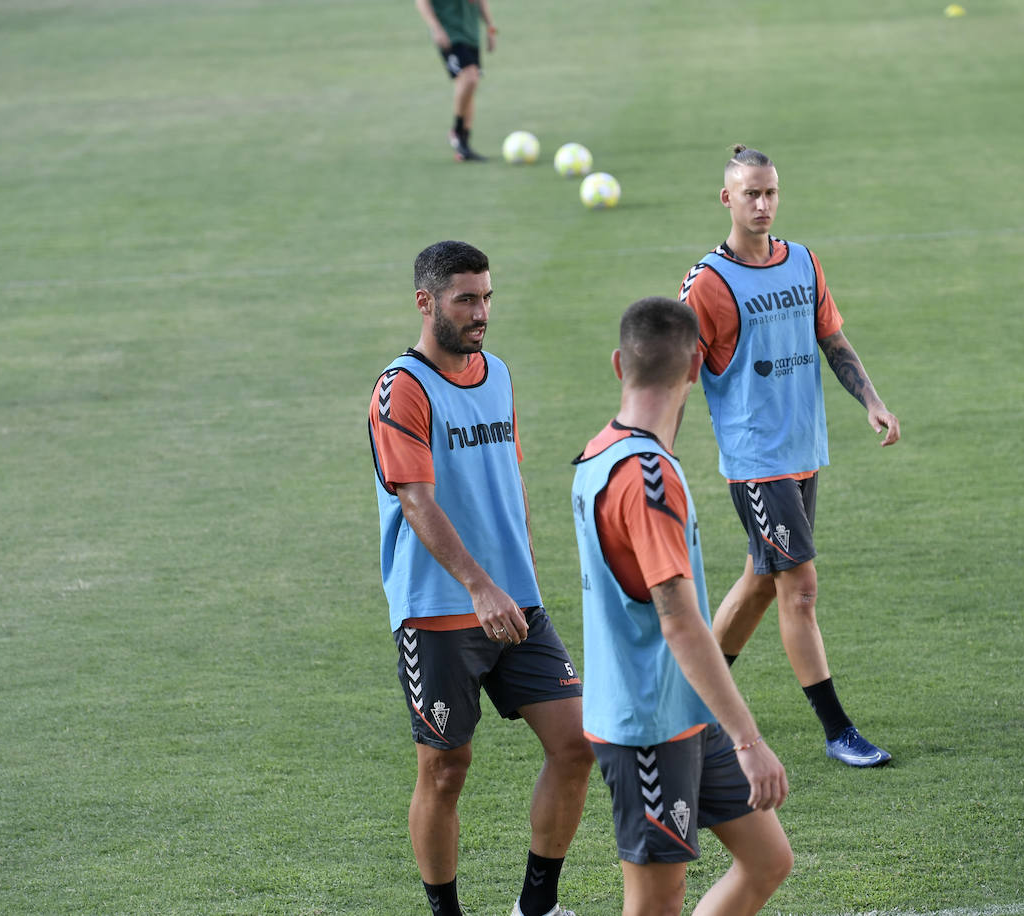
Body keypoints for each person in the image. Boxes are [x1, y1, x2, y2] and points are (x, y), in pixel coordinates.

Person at [369, 240, 592, 916]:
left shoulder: (496, 373)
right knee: (445, 770)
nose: (481, 312)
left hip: (514, 600)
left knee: (577, 745)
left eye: (487, 297)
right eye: (466, 299)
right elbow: (417, 501)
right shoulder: (400, 388)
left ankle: (537, 906)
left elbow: (508, 474)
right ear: (425, 302)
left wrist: (516, 569)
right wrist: (478, 584)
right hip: (441, 610)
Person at [678, 145, 901, 768]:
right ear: (727, 198)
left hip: (804, 451)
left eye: (770, 192)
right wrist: (653, 458)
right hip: (756, 461)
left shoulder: (802, 262)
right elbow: (677, 375)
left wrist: (872, 400)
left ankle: (691, 699)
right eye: (750, 193)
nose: (762, 204)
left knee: (759, 580)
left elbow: (829, 335)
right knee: (798, 589)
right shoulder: (708, 285)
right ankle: (838, 732)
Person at [571, 296, 793, 915]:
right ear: (696, 368)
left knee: (768, 859)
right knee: (655, 904)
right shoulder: (646, 479)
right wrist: (750, 741)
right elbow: (680, 621)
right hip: (647, 726)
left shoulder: (598, 452)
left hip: (686, 712)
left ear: (620, 365)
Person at [415, 0, 496, 161]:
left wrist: (490, 28)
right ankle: (457, 131)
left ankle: (463, 146)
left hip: (471, 34)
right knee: (469, 78)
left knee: (470, 85)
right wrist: (435, 28)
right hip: (450, 33)